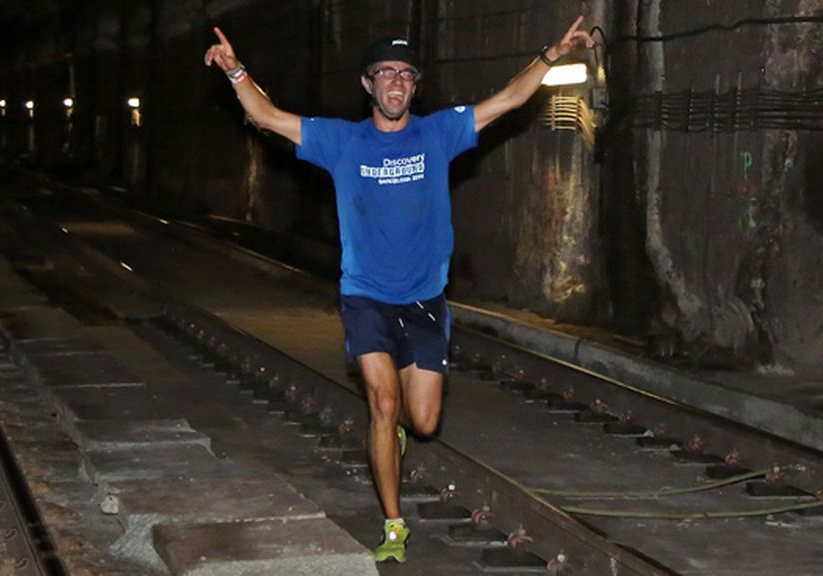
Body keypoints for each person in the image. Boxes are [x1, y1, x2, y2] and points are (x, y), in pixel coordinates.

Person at [204, 17, 594, 563]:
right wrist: (236, 70)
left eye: (405, 75)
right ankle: (393, 524)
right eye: (384, 73)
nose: (395, 83)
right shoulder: (343, 141)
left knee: (424, 421)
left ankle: (397, 434)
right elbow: (266, 115)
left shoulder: (437, 134)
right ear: (368, 85)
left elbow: (507, 100)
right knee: (383, 405)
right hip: (366, 296)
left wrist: (550, 56)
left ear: (414, 86)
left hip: (425, 299)